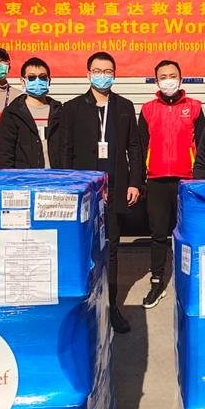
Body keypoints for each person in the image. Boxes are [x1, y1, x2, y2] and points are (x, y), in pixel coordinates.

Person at [61, 52, 141, 334]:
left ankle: (111, 305)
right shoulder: (72, 108)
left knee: (113, 249)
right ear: (88, 74)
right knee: (83, 248)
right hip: (85, 192)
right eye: (97, 71)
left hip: (116, 189)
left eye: (108, 71)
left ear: (114, 75)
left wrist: (135, 182)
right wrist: (69, 188)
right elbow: (65, 151)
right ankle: (83, 307)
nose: (102, 76)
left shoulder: (124, 106)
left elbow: (135, 147)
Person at [138, 59, 205, 309]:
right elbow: (139, 148)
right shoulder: (147, 109)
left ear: (181, 78)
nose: (168, 80)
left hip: (186, 181)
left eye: (172, 75)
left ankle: (191, 281)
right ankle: (157, 281)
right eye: (163, 77)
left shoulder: (195, 107)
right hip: (156, 180)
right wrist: (140, 180)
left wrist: (200, 179)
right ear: (156, 81)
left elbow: (203, 147)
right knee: (158, 234)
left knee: (188, 232)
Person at [0, 57, 64, 169]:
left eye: (42, 77)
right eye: (32, 77)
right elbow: (5, 155)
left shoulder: (60, 111)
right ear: (23, 81)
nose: (38, 81)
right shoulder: (12, 114)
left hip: (56, 176)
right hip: (25, 177)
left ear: (49, 81)